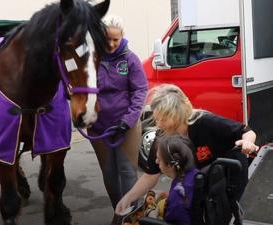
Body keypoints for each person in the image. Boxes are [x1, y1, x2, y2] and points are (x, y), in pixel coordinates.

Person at [115, 84, 259, 224]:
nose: (159, 124)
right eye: (157, 118)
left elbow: (247, 131)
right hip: (201, 180)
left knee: (225, 215)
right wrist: (127, 198)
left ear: (178, 114)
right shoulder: (163, 136)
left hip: (229, 175)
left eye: (163, 119)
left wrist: (247, 143)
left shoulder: (205, 122)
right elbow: (150, 175)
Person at [87, 15, 148, 225]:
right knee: (110, 173)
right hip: (99, 126)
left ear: (122, 37)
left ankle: (133, 216)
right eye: (107, 40)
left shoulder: (130, 59)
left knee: (126, 170)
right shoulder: (91, 58)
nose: (111, 44)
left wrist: (129, 120)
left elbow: (140, 91)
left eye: (116, 39)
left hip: (126, 124)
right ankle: (119, 211)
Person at [155, 134, 198, 225]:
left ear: (170, 165)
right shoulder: (194, 173)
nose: (156, 161)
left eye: (159, 159)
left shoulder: (177, 198)